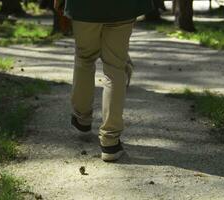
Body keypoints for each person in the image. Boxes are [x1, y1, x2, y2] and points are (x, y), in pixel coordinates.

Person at [54, 0, 153, 162]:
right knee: (115, 67)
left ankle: (82, 118)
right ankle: (110, 142)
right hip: (122, 7)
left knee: (84, 59)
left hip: (83, 7)